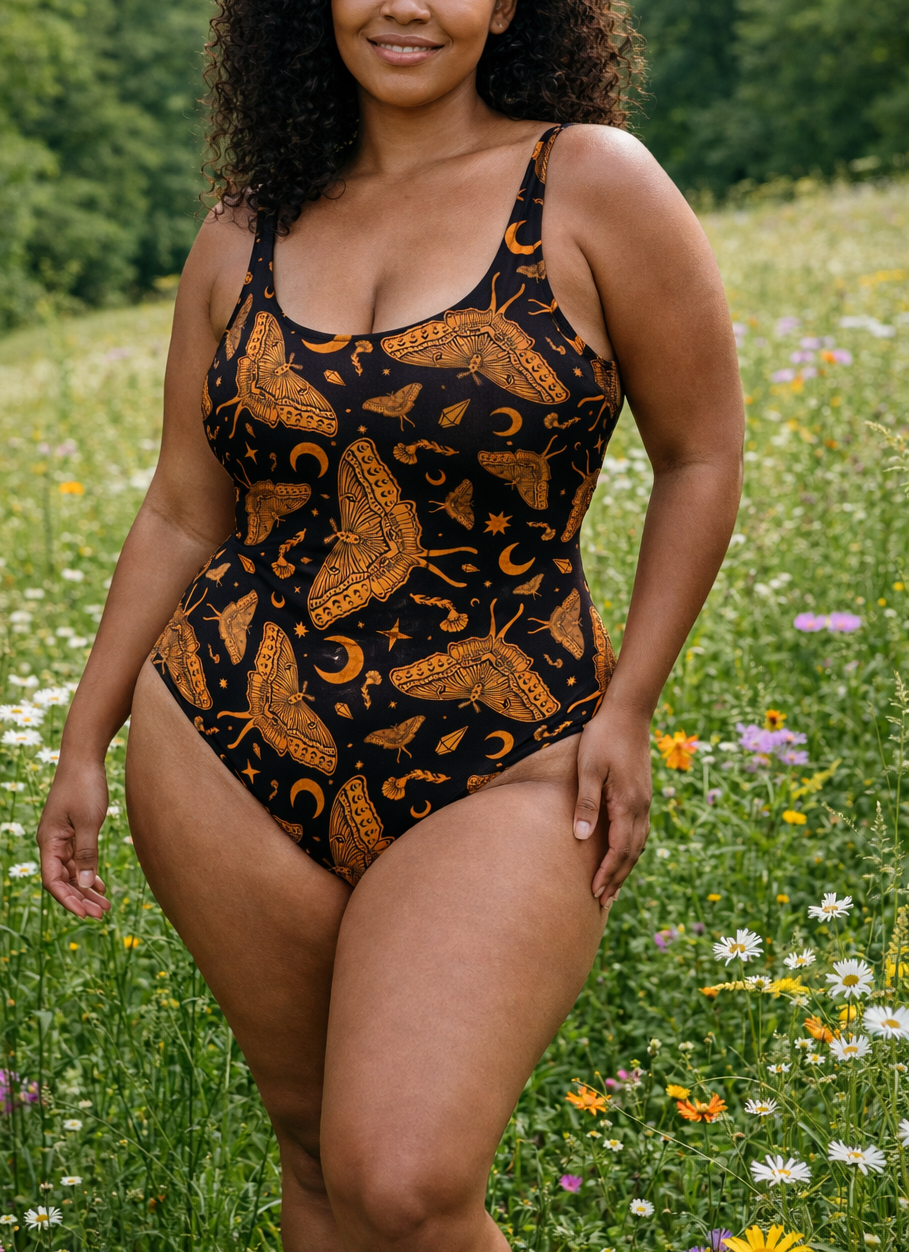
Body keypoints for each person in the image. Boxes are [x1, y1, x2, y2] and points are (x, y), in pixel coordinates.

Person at [37, 1, 744, 1248]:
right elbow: (184, 509)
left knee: (404, 1182)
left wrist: (630, 705)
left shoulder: (584, 182)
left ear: (509, 6)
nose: (406, 3)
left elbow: (698, 455)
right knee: (314, 1161)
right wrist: (84, 739)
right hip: (222, 736)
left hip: (511, 748)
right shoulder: (242, 228)